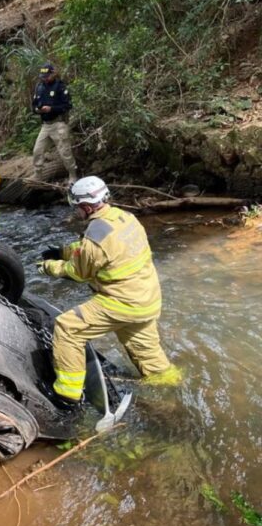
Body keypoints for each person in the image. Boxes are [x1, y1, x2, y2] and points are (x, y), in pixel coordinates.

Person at [38, 176, 181, 405]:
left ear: (85, 207)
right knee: (149, 357)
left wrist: (49, 267)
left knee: (67, 328)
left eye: (77, 208)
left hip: (121, 302)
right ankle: (172, 392)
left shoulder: (95, 237)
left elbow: (78, 272)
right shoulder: (126, 218)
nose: (76, 213)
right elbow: (106, 250)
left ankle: (68, 393)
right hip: (147, 300)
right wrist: (63, 250)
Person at [32, 62, 78, 183]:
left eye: (47, 76)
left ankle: (72, 175)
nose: (45, 79)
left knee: (65, 152)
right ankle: (38, 174)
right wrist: (38, 110)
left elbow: (67, 105)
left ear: (53, 73)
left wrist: (51, 109)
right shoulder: (39, 86)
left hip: (58, 124)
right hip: (45, 125)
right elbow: (34, 105)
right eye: (43, 77)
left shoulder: (60, 86)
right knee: (37, 150)